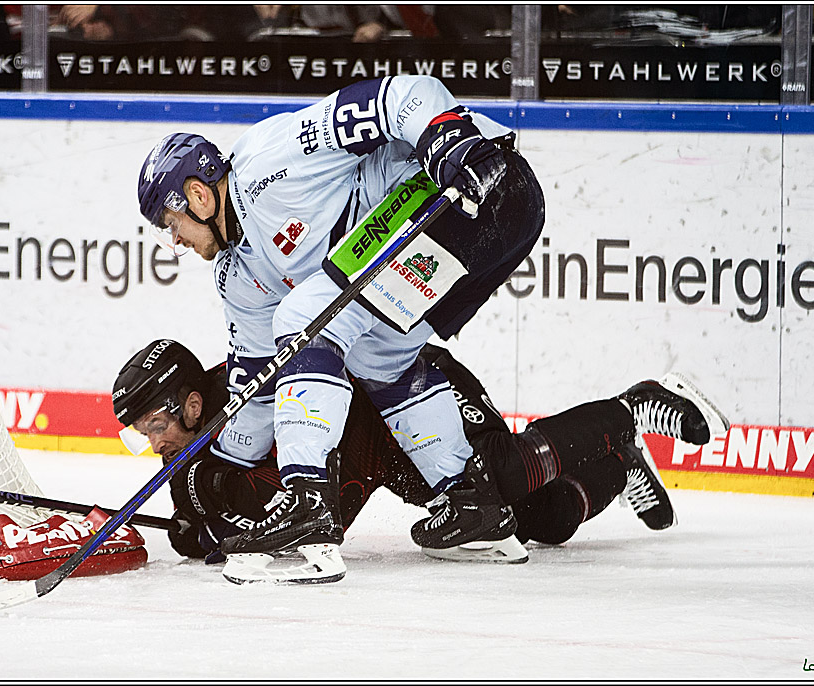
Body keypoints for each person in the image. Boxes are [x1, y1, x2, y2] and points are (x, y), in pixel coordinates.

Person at [135, 74, 546, 576]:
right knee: (380, 354)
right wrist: (207, 465)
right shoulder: (238, 276)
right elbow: (258, 390)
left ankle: (309, 503)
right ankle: (471, 501)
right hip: (467, 232)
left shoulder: (273, 157)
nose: (175, 241)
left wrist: (449, 138)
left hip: (481, 187)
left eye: (171, 224)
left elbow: (398, 97)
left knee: (304, 317)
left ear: (198, 196)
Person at [112, 339, 730, 581]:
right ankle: (616, 461)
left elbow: (325, 510)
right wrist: (202, 521)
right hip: (396, 451)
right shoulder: (205, 435)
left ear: (192, 403)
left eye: (157, 426)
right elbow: (206, 511)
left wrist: (217, 509)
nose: (155, 444)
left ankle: (635, 407)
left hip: (416, 392)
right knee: (540, 519)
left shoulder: (258, 394)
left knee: (503, 476)